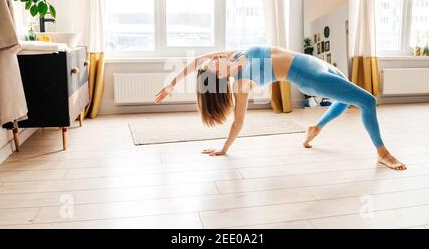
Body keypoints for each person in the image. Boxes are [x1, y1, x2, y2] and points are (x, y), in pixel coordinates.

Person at [155, 46, 406, 170]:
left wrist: (172, 84)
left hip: (314, 63)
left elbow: (196, 61)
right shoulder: (242, 83)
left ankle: (315, 127)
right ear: (219, 77)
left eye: (213, 59)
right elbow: (238, 121)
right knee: (368, 101)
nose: (214, 59)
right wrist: (224, 148)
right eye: (213, 64)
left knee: (345, 99)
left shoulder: (233, 55)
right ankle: (382, 153)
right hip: (311, 78)